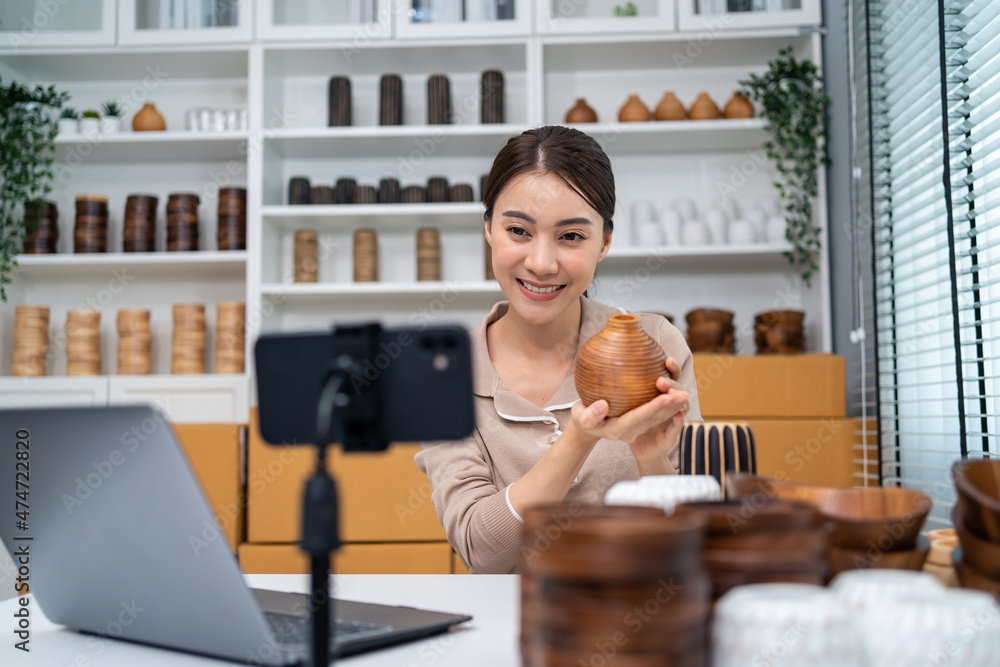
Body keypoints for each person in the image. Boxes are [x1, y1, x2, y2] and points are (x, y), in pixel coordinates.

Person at [414, 126, 701, 574]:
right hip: (508, 629)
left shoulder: (655, 344)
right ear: (488, 229)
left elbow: (693, 543)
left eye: (570, 237)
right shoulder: (443, 373)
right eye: (518, 231)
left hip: (640, 620)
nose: (542, 263)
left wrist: (650, 457)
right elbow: (482, 551)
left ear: (604, 242)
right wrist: (579, 438)